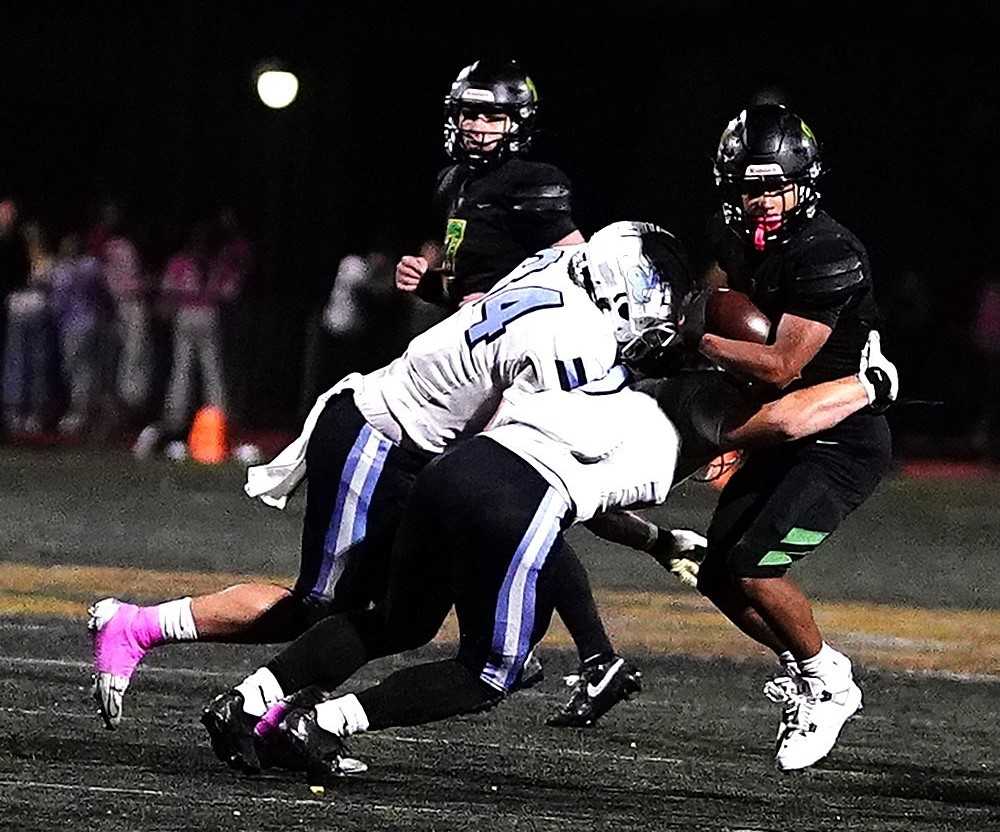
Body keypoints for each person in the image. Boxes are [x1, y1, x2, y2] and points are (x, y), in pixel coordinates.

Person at [200, 335, 897, 782]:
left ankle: (251, 698)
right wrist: (869, 388)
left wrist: (657, 544)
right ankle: (319, 723)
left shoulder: (630, 381)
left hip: (456, 470)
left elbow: (589, 507)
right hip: (516, 497)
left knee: (396, 620)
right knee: (492, 670)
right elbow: (785, 419)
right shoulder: (711, 406)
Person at [88, 220, 690, 730]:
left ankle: (284, 720)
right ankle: (141, 629)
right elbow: (541, 476)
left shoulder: (557, 266)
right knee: (321, 607)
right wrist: (654, 540)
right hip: (380, 442)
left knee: (404, 618)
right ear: (618, 294)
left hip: (412, 446)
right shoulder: (574, 344)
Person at [396, 59, 633, 726]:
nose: (476, 126)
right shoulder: (455, 182)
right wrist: (430, 283)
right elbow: (470, 285)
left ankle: (582, 654)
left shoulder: (534, 185)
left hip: (519, 366)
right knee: (491, 508)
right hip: (473, 363)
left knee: (503, 505)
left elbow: (577, 271)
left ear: (517, 124)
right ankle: (543, 650)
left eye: (491, 115)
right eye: (469, 112)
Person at [685, 104, 893, 772]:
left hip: (840, 435)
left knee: (753, 564)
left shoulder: (828, 252)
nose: (764, 201)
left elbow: (781, 363)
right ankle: (810, 672)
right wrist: (690, 322)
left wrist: (696, 341)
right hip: (781, 426)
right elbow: (705, 298)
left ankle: (829, 682)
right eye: (750, 188)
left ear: (806, 183)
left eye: (775, 186)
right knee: (717, 576)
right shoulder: (734, 236)